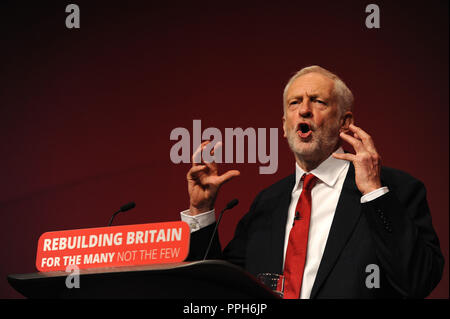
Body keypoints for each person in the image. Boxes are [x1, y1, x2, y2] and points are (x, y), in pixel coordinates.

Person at [180, 65, 444, 299]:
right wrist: (201, 212)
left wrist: (374, 193)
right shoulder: (267, 203)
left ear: (345, 123)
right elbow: (217, 289)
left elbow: (417, 282)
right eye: (295, 103)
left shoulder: (395, 190)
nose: (304, 110)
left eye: (317, 101)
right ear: (284, 126)